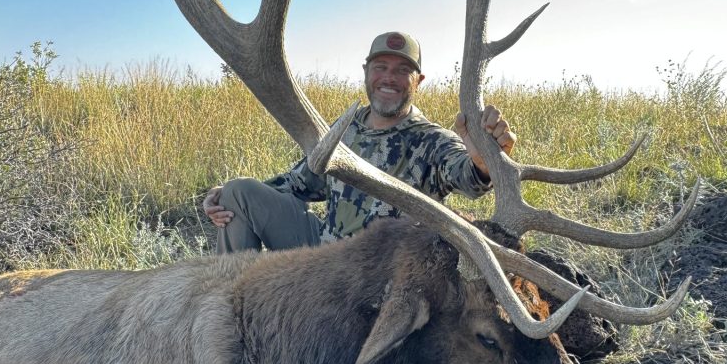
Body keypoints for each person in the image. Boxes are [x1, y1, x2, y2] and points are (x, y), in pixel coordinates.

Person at [203, 31, 516, 253]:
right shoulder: (345, 129)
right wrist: (225, 198)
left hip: (378, 270)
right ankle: (231, 315)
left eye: (402, 70)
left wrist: (483, 163)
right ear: (366, 73)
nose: (389, 78)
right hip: (324, 248)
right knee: (237, 193)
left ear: (418, 81)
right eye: (380, 68)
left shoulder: (431, 140)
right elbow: (300, 182)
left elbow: (468, 176)